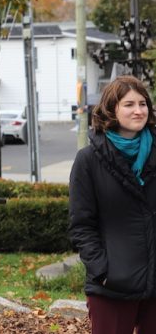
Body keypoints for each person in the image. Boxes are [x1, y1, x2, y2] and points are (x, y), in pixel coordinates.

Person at [69, 75, 156, 334]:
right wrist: (103, 270)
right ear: (112, 109)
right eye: (129, 104)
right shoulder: (89, 160)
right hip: (113, 284)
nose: (138, 111)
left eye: (143, 104)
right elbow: (81, 225)